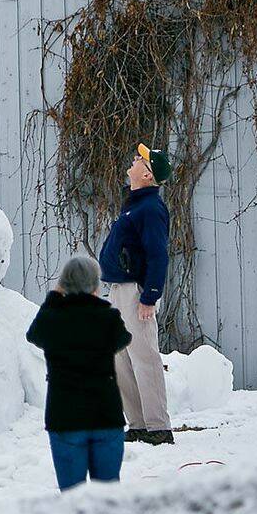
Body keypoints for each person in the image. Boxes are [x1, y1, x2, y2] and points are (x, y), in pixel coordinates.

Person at [26, 255, 131, 492]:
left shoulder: (52, 320)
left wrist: (55, 296)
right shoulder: (108, 318)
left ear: (64, 284)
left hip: (65, 418)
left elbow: (33, 334)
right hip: (105, 415)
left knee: (73, 498)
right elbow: (124, 338)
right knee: (107, 495)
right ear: (96, 285)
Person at [99, 142, 173, 446]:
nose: (133, 159)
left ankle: (158, 426)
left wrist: (149, 296)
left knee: (144, 356)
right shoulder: (133, 204)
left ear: (147, 174)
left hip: (136, 293)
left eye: (139, 159)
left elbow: (158, 255)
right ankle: (139, 424)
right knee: (122, 358)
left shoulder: (150, 208)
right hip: (119, 289)